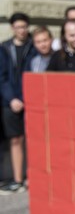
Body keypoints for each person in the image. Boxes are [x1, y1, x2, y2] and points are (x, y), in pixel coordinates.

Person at [0, 12, 36, 195]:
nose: (21, 30)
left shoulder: (33, 46)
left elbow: (33, 74)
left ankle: (33, 177)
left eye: (24, 26)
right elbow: (2, 77)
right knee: (15, 139)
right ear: (12, 28)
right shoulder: (5, 48)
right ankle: (17, 179)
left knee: (33, 139)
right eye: (18, 27)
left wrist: (24, 97)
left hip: (29, 98)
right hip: (10, 101)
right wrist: (12, 98)